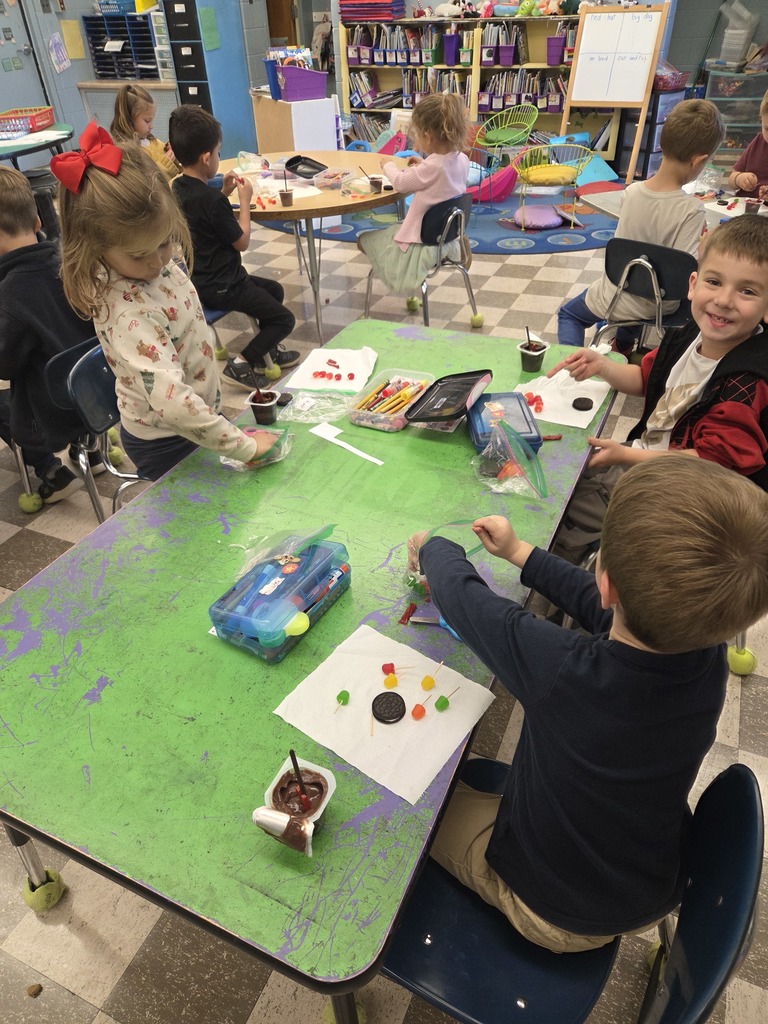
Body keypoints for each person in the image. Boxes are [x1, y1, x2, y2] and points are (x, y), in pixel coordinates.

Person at [411, 457, 768, 953]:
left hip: (556, 913)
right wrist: (519, 553)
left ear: (605, 578)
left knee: (418, 807)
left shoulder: (563, 672)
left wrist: (433, 548)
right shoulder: (705, 654)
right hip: (642, 880)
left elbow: (467, 601)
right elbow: (613, 604)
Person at [52, 123, 279, 482]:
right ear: (96, 247)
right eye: (139, 255)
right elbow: (173, 405)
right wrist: (246, 447)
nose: (158, 262)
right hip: (165, 440)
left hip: (197, 418)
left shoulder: (155, 263)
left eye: (164, 242)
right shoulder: (126, 312)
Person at [548, 213, 768, 562]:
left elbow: (716, 464)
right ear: (693, 284)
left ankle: (579, 574)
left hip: (688, 496)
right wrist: (603, 366)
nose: (724, 300)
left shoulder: (746, 382)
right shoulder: (687, 336)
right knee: (560, 474)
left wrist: (627, 456)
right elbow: (648, 380)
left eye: (747, 291)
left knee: (561, 513)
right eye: (714, 281)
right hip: (649, 461)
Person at [557, 99, 725, 351]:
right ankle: (623, 346)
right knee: (644, 289)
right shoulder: (691, 209)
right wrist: (706, 248)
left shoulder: (631, 192)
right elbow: (684, 273)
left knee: (569, 315)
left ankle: (577, 363)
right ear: (699, 161)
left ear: (662, 144)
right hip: (659, 303)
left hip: (616, 294)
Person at [167, 105, 298, 392]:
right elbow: (242, 241)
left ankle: (266, 352)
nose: (218, 156)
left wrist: (224, 192)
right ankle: (241, 363)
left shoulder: (179, 188)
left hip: (202, 281)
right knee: (284, 319)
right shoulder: (212, 201)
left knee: (274, 290)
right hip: (227, 285)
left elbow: (202, 212)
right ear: (206, 158)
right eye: (217, 151)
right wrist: (244, 200)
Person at [0, 166, 97, 504]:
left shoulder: (9, 294)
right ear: (38, 221)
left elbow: (5, 366)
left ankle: (51, 471)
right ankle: (93, 453)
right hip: (98, 395)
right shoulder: (69, 263)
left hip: (51, 415)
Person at [358, 93, 470, 297]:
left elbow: (400, 183)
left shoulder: (433, 167)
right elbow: (441, 177)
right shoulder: (462, 159)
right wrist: (423, 164)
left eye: (417, 135)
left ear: (427, 136)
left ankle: (403, 288)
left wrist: (387, 165)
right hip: (447, 235)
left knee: (363, 240)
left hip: (421, 239)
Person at [110, 83, 181, 182]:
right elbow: (148, 183)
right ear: (129, 120)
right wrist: (166, 165)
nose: (152, 126)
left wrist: (172, 151)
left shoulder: (151, 140)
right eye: (147, 121)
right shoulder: (128, 154)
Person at [728, 89, 768, 200]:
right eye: (767, 129)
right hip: (744, 205)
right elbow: (731, 179)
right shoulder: (759, 141)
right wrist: (739, 179)